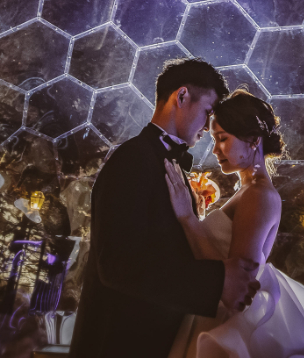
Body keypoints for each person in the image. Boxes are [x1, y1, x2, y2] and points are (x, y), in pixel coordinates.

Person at [69, 59, 261, 358]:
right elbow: (118, 265)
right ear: (181, 96)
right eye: (208, 111)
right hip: (117, 345)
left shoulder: (164, 163)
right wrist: (216, 281)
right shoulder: (133, 159)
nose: (208, 126)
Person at [164, 91, 304, 358]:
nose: (215, 150)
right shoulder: (248, 191)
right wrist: (198, 217)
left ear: (253, 140)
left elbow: (237, 284)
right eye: (214, 140)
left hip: (222, 326)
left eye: (223, 138)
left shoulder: (258, 195)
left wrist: (188, 219)